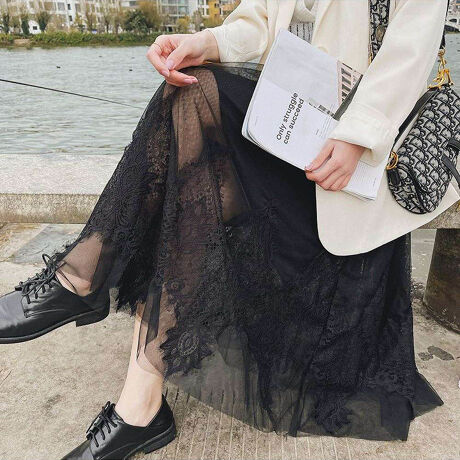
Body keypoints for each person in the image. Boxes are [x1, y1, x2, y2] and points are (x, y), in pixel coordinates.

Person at [1, 0, 458, 459]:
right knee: (189, 88)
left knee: (190, 171)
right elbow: (262, 18)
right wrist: (205, 42)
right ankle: (128, 382)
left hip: (360, 157)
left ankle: (84, 287)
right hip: (297, 126)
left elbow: (412, 46)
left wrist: (359, 135)